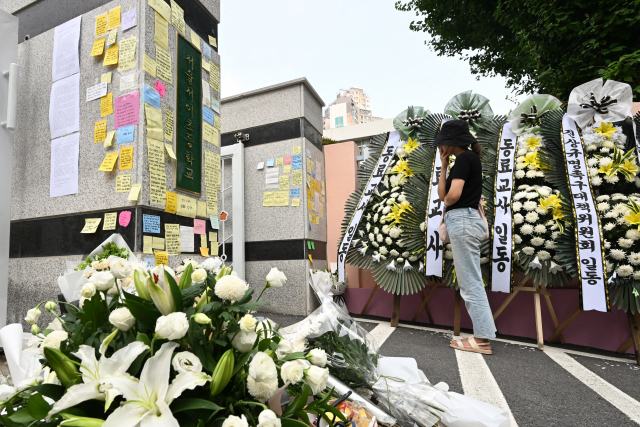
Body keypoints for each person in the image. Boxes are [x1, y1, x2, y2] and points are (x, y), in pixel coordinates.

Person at [435, 120, 496, 355]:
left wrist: (449, 195)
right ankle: (482, 336)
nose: (440, 148)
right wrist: (443, 166)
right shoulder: (462, 161)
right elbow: (443, 195)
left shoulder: (465, 159)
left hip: (462, 220)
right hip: (465, 221)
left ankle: (482, 339)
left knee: (470, 282)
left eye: (443, 144)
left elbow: (451, 198)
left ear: (451, 142)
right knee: (470, 280)